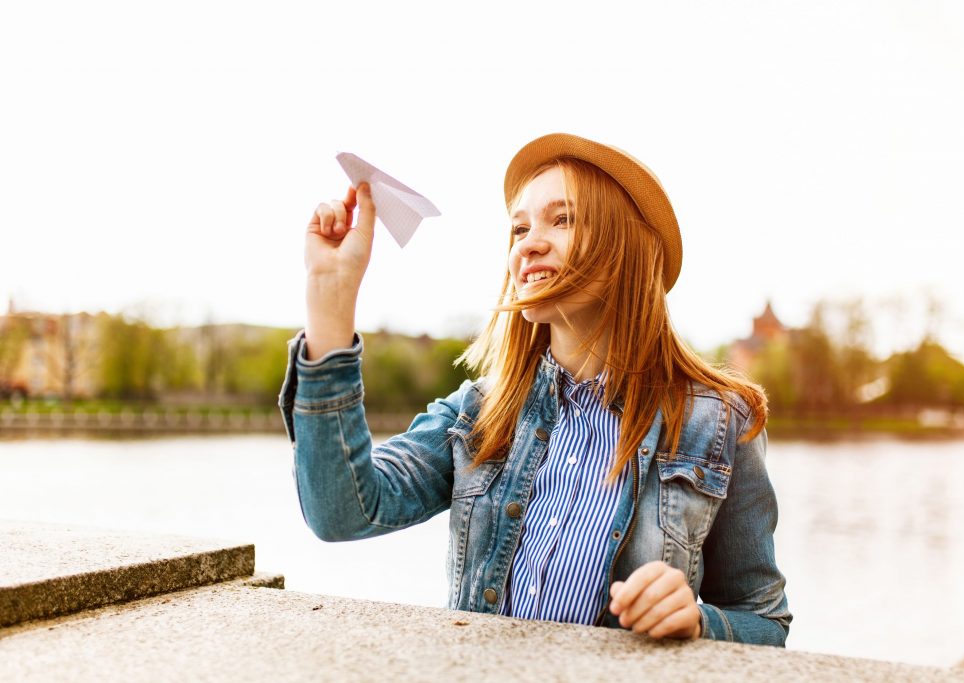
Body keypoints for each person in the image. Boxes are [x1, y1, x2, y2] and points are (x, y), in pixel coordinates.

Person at [278, 133, 792, 645]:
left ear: (627, 246)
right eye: (519, 228)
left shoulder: (720, 421)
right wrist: (330, 296)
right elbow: (342, 511)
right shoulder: (479, 412)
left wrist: (698, 622)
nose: (528, 242)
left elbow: (764, 620)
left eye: (562, 219)